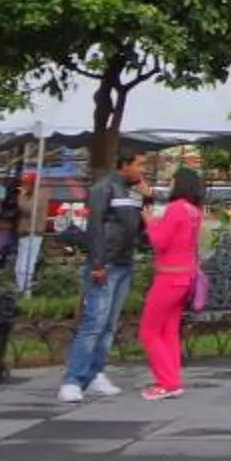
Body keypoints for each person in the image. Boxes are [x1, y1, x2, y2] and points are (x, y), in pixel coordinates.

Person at [60, 152, 148, 405]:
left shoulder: (132, 192)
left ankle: (95, 372)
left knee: (109, 323)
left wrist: (147, 196)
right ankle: (72, 380)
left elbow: (136, 226)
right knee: (94, 322)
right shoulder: (103, 188)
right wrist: (97, 263)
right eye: (139, 164)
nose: (142, 170)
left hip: (123, 261)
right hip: (106, 263)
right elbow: (96, 226)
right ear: (124, 164)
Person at [139, 167, 204, 401]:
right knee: (169, 331)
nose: (170, 185)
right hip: (185, 277)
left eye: (172, 181)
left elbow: (160, 241)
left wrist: (149, 222)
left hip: (168, 277)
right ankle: (172, 380)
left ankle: (166, 382)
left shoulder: (176, 209)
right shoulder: (194, 210)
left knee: (149, 330)